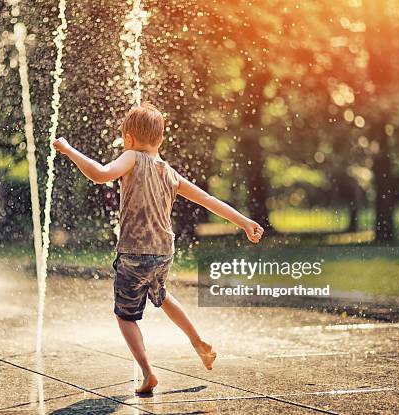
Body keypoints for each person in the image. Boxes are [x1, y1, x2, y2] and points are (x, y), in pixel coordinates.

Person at [53, 102, 264, 394]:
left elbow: (100, 174)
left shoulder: (130, 157)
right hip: (164, 252)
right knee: (161, 295)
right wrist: (244, 222)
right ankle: (197, 341)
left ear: (128, 138)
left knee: (125, 315)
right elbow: (207, 200)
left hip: (133, 253)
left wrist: (67, 149)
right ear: (161, 139)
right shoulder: (169, 172)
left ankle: (148, 372)